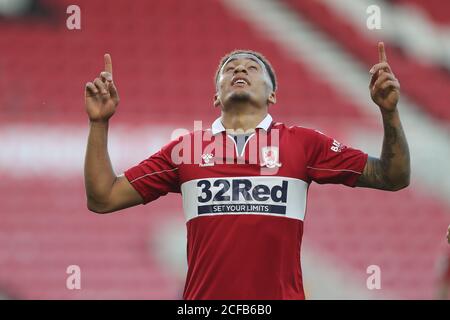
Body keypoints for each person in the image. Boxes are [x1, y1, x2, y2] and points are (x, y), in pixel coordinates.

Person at [84, 42, 410, 299]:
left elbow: (392, 177)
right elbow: (104, 197)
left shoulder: (304, 144)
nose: (240, 67)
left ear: (272, 94)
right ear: (216, 96)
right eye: (230, 68)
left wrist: (389, 112)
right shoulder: (186, 150)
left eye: (253, 67)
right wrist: (99, 123)